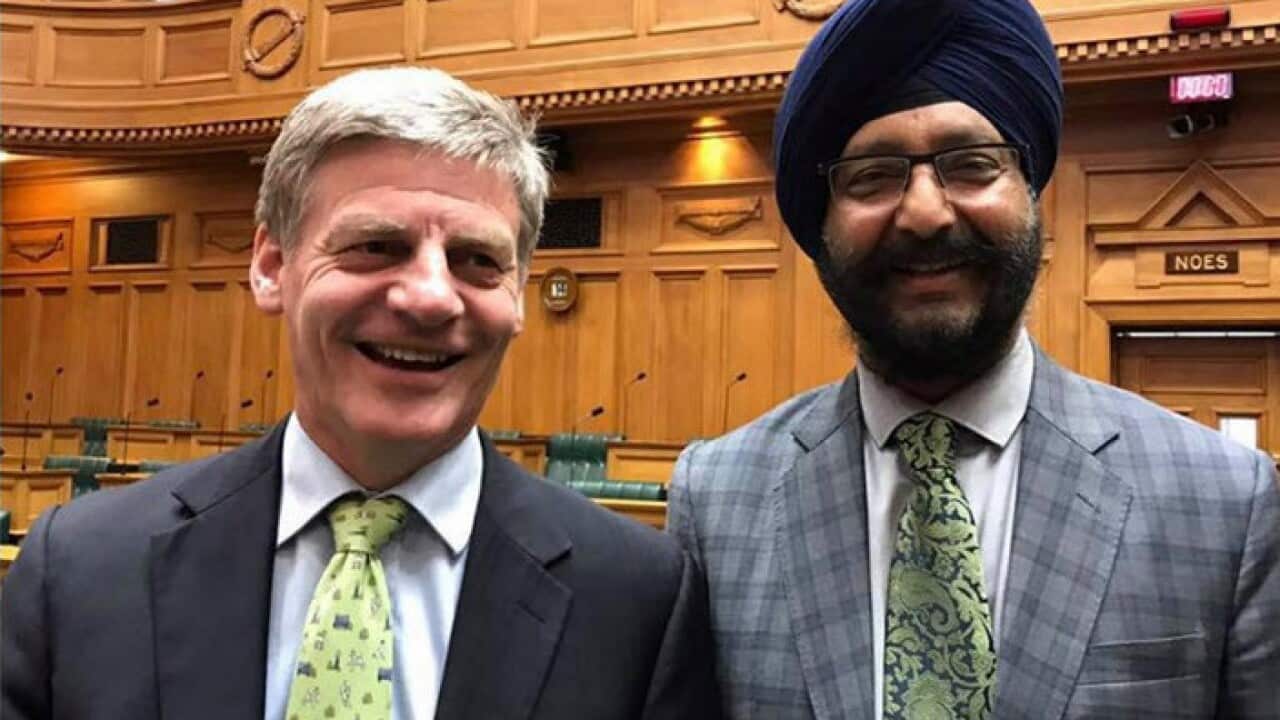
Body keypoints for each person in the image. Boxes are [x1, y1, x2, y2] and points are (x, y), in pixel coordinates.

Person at [3, 67, 720, 720]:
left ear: (520, 295)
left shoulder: (639, 597)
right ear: (272, 267)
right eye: (377, 245)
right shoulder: (81, 568)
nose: (432, 297)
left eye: (477, 260)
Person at [667, 0, 1279, 718]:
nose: (925, 213)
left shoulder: (1226, 502)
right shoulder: (716, 499)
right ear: (821, 221)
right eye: (872, 176)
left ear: (1032, 191)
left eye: (971, 165)